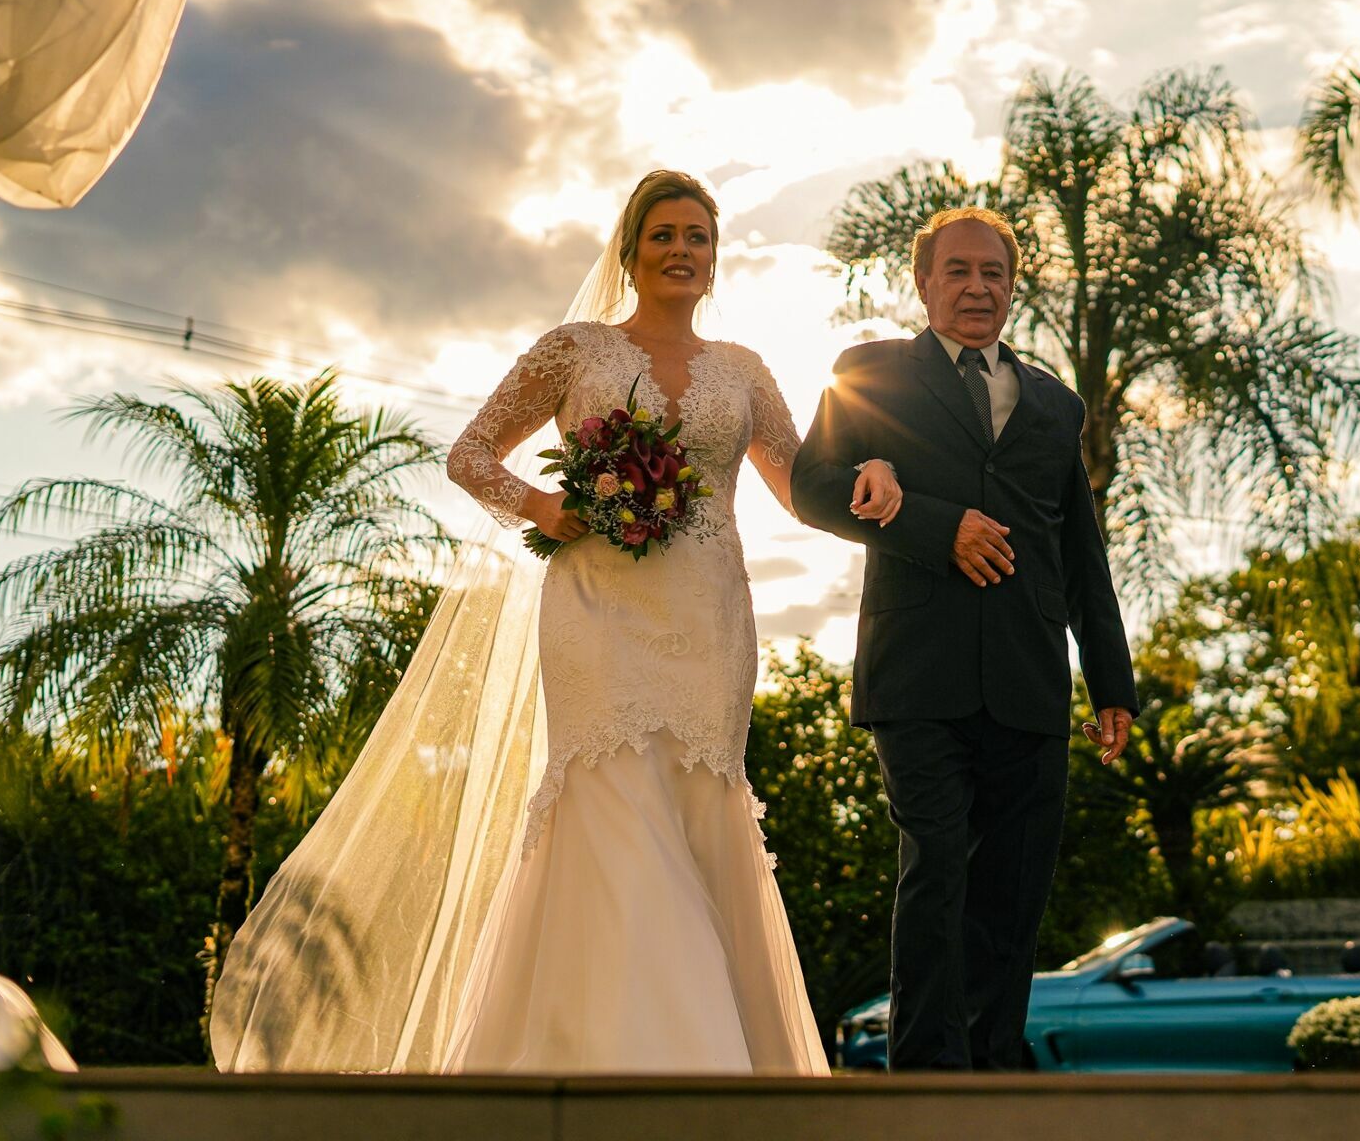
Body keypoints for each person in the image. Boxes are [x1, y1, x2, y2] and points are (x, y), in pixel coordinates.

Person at [212, 171, 892, 1074]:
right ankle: (649, 1057)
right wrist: (543, 506)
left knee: (698, 807)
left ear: (716, 257)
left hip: (710, 614)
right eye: (663, 235)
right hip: (597, 610)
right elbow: (469, 453)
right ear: (630, 250)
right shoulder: (575, 351)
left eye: (697, 237)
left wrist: (872, 467)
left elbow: (801, 488)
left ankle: (713, 1062)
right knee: (611, 799)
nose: (681, 251)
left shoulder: (745, 371)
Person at [791, 206, 1138, 1071]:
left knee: (1012, 896)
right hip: (918, 676)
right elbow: (811, 487)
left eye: (994, 273)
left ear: (1013, 287)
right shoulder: (869, 374)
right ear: (924, 282)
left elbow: (1079, 553)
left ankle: (993, 1085)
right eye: (959, 271)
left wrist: (1112, 683)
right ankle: (923, 1085)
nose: (977, 286)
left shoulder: (1058, 405)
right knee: (937, 866)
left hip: (1029, 680)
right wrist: (933, 524)